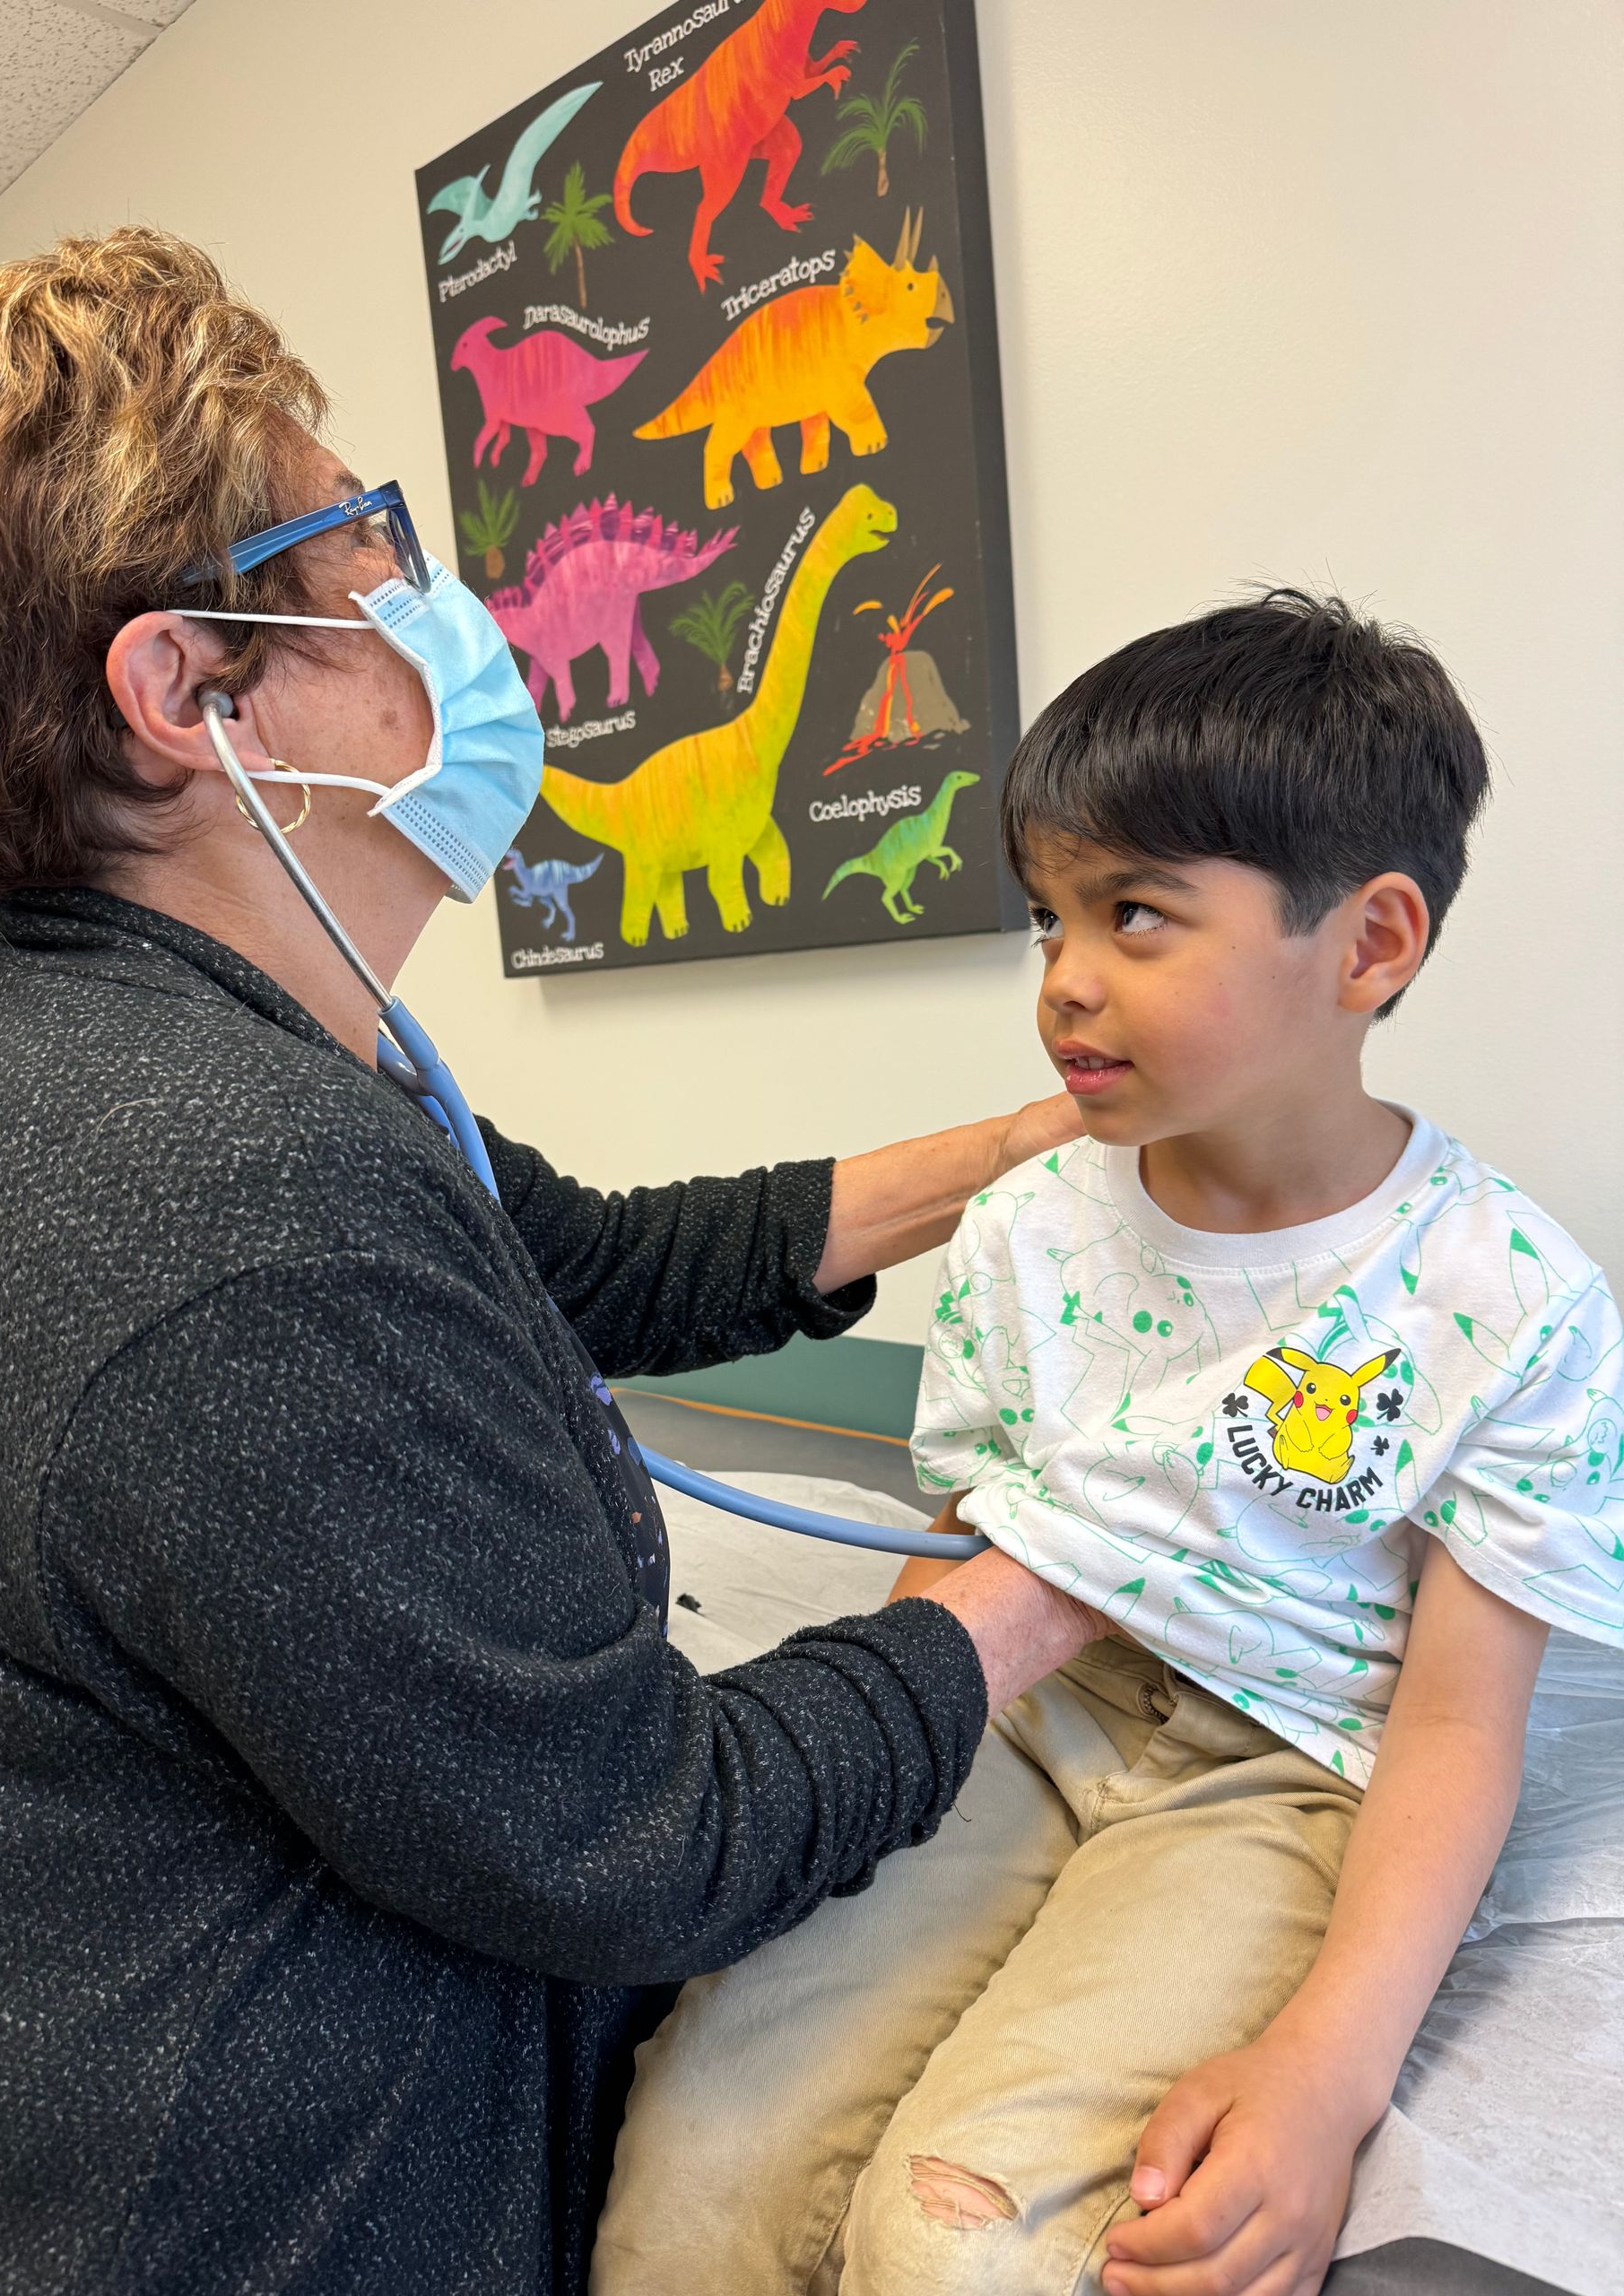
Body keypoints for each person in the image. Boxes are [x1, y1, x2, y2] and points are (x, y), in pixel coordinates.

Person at [0, 228, 1103, 2296]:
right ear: (187, 690)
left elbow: (589, 1265)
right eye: (366, 545)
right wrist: (1042, 1581)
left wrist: (1015, 1150)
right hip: (269, 2218)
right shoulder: (230, 1202)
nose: (437, 602)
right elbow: (645, 1844)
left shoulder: (142, 1056)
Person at [595, 593, 1624, 2296]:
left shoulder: (1513, 1301)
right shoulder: (1025, 1226)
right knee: (693, 2186)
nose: (1066, 980)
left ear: (1370, 944)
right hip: (1022, 1717)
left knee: (958, 2242)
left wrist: (1327, 2076)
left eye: (1136, 914)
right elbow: (959, 1548)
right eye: (1047, 920)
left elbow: (1457, 1723)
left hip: (1281, 1770)